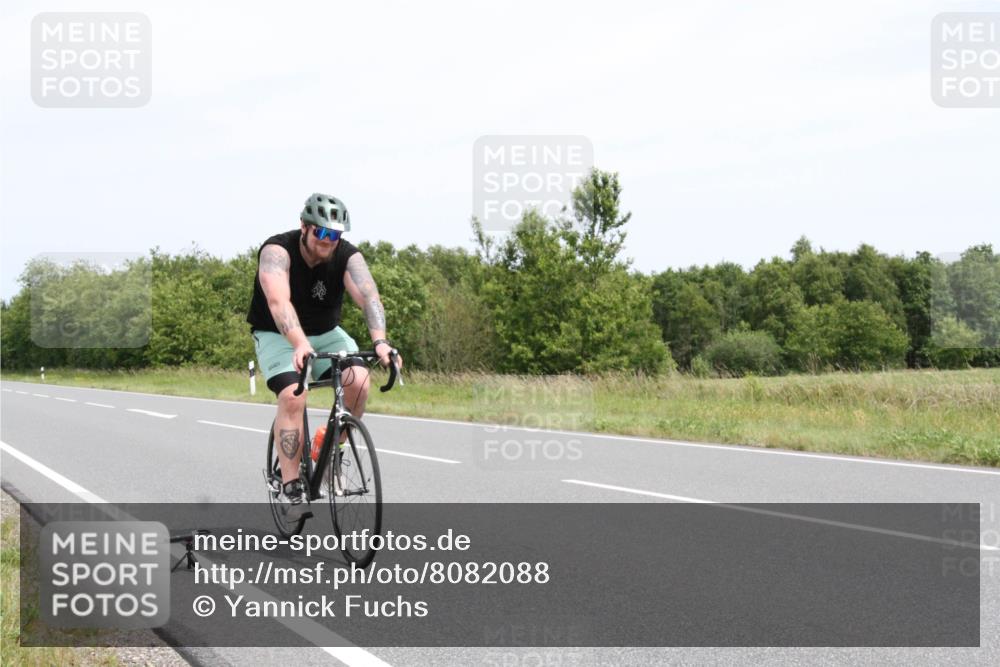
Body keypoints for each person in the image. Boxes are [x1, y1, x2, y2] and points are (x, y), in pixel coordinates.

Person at [246, 193, 400, 521]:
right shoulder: (277, 251)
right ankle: (290, 485)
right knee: (293, 394)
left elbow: (370, 297)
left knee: (359, 380)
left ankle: (331, 450)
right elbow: (278, 303)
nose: (329, 241)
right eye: (322, 233)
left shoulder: (346, 257)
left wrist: (381, 342)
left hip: (327, 331)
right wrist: (299, 343)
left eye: (336, 235)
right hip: (278, 333)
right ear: (304, 227)